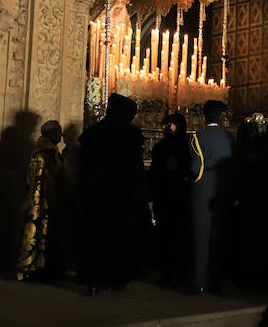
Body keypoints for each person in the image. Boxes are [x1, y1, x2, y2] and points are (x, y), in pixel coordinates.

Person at [78, 94, 146, 295]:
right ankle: (116, 278)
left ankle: (93, 280)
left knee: (95, 237)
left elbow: (83, 166)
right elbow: (136, 169)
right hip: (121, 197)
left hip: (95, 194)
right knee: (118, 238)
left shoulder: (93, 133)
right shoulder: (131, 135)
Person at [188, 100, 233, 293]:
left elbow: (195, 169)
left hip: (204, 191)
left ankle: (199, 282)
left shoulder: (197, 137)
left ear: (204, 116)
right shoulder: (229, 138)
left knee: (201, 238)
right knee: (220, 238)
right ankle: (218, 281)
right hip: (223, 191)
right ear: (221, 116)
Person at [15, 120, 65, 281]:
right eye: (59, 131)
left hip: (36, 198)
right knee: (45, 235)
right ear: (51, 133)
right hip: (46, 200)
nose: (61, 135)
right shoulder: (47, 152)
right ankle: (41, 270)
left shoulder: (39, 149)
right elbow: (56, 178)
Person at [148, 113, 191, 286]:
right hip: (164, 195)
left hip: (180, 196)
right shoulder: (159, 147)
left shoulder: (186, 147)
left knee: (179, 234)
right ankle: (167, 271)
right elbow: (154, 172)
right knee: (165, 235)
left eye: (172, 124)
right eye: (167, 124)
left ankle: (179, 271)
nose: (168, 127)